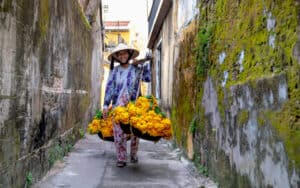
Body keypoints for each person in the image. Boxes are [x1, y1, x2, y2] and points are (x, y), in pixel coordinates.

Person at [103, 43, 151, 168]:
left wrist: (143, 64)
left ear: (129, 54)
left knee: (135, 133)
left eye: (124, 53)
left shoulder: (136, 69)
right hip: (118, 107)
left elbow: (147, 78)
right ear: (117, 57)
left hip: (133, 105)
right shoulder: (115, 71)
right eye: (119, 54)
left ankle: (133, 154)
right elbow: (109, 88)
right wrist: (105, 105)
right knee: (118, 134)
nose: (122, 55)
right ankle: (121, 158)